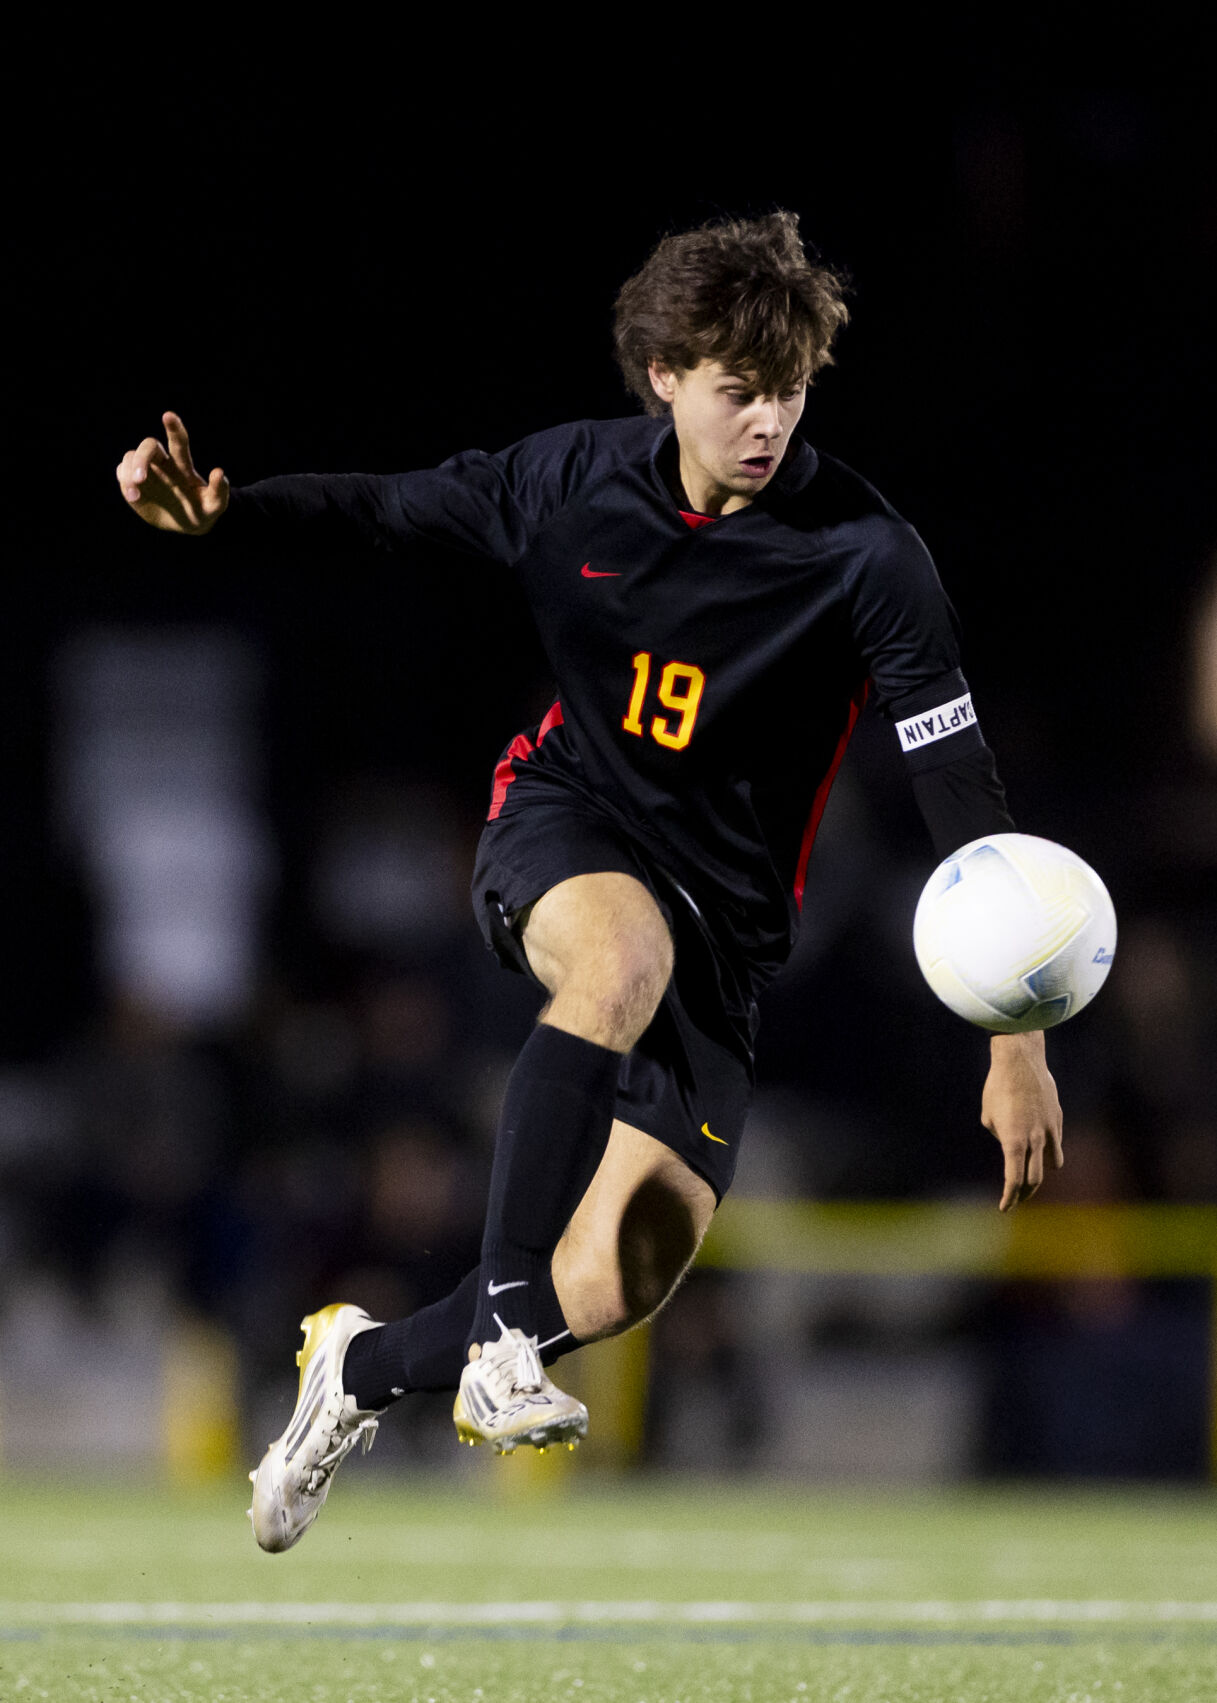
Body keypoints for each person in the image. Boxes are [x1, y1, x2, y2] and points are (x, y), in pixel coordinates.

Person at [115, 211, 1063, 1552]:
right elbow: (385, 508)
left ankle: (360, 1372)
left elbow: (956, 781)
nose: (768, 422)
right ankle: (502, 1340)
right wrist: (227, 516)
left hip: (728, 937)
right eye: (740, 391)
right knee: (620, 962)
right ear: (665, 373)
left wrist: (1012, 1037)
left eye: (789, 391)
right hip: (566, 827)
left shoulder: (866, 555)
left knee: (623, 1276)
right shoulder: (570, 482)